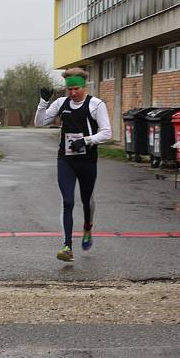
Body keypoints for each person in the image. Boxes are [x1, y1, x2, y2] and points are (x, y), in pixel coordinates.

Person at [34, 67, 112, 262]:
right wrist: (43, 103)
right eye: (69, 89)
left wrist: (86, 140)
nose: (73, 93)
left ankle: (87, 227)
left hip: (87, 162)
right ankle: (67, 246)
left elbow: (107, 133)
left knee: (87, 202)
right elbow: (39, 122)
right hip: (66, 160)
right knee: (68, 201)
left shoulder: (96, 104)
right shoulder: (61, 103)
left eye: (76, 88)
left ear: (83, 87)